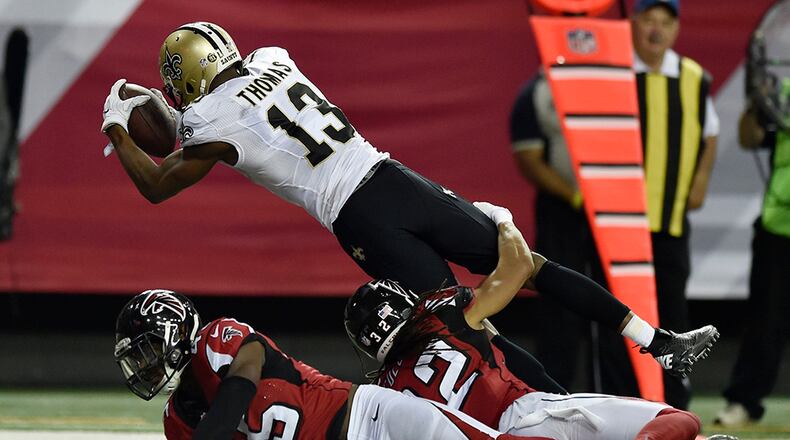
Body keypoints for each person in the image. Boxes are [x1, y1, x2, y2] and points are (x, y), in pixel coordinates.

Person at [101, 21, 718, 388]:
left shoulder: (211, 117)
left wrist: (118, 128)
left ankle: (559, 410)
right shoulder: (272, 60)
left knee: (474, 331)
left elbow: (158, 182)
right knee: (526, 263)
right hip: (394, 178)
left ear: (187, 77)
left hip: (359, 215)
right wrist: (167, 112)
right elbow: (205, 114)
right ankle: (655, 338)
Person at [343, 208, 706, 440]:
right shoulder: (442, 317)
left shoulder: (387, 393)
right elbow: (519, 267)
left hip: (504, 428)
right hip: (530, 416)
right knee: (679, 421)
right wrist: (503, 221)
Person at [114, 289, 554, 440]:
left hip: (369, 417)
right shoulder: (177, 419)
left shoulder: (219, 338)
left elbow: (241, 386)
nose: (144, 367)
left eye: (148, 351)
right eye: (138, 359)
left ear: (177, 332)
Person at [587, 0, 721, 410]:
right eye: (649, 20)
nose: (657, 30)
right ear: (633, 23)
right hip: (617, 223)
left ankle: (673, 403)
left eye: (666, 21)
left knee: (673, 312)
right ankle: (618, 402)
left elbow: (710, 132)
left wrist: (699, 181)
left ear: (676, 28)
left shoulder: (693, 77)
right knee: (617, 314)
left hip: (670, 222)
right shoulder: (614, 71)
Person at [509, 70, 608, 392]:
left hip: (613, 211)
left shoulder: (609, 85)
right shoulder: (536, 93)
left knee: (614, 301)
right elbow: (529, 159)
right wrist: (577, 197)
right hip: (563, 213)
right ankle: (554, 392)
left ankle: (618, 390)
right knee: (559, 300)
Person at [714, 79, 790, 427]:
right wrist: (754, 103)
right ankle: (744, 402)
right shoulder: (785, 89)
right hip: (779, 225)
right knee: (765, 321)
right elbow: (750, 138)